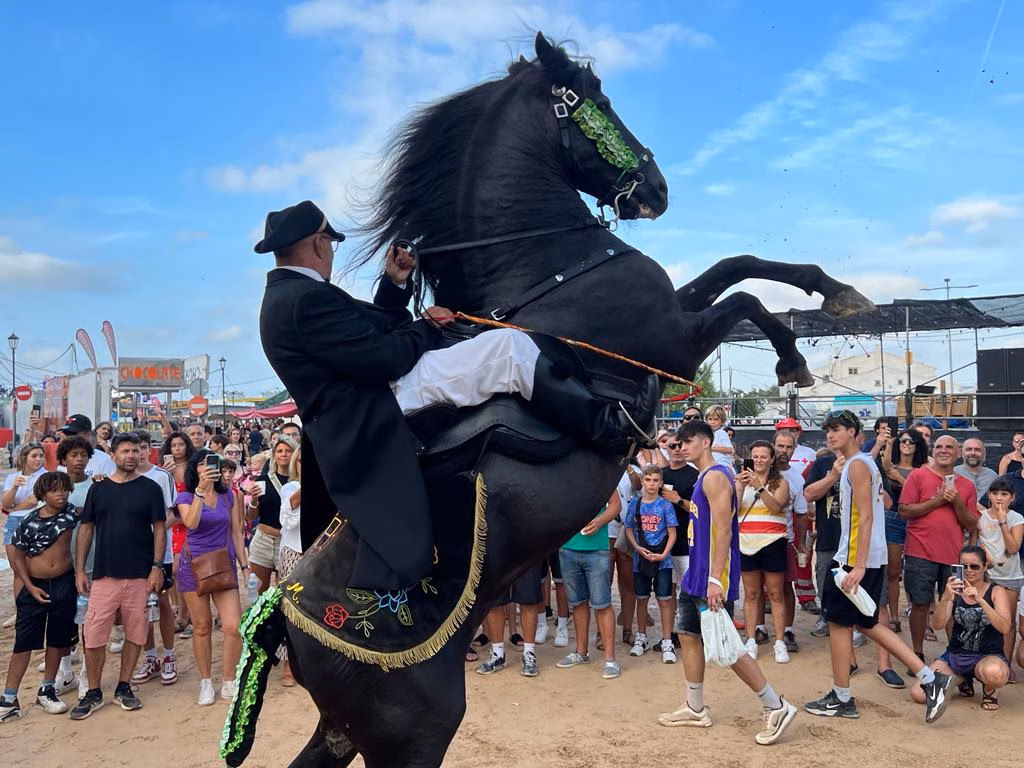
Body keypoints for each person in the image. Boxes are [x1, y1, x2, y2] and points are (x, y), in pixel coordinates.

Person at [255, 200, 658, 591]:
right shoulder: (304, 298)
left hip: (364, 402)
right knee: (508, 351)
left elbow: (370, 329)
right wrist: (428, 326)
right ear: (319, 243)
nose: (331, 253)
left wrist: (396, 283)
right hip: (376, 404)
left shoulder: (289, 295)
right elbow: (385, 357)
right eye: (331, 244)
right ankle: (610, 426)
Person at [803, 411, 951, 723]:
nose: (830, 435)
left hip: (854, 559)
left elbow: (867, 516)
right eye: (827, 430)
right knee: (865, 624)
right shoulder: (861, 463)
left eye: (837, 429)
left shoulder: (857, 464)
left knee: (842, 624)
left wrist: (856, 565)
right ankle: (927, 678)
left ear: (853, 431)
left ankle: (843, 696)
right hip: (862, 557)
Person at [657, 419, 797, 746]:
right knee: (689, 635)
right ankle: (695, 707)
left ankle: (776, 705)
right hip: (698, 571)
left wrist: (713, 579)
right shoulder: (709, 477)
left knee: (727, 647)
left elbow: (725, 530)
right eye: (678, 444)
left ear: (705, 442)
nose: (681, 448)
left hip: (710, 575)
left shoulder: (716, 476)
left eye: (687, 442)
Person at [71, 432, 166, 719]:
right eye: (125, 451)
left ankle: (124, 686)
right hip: (103, 574)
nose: (131, 456)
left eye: (136, 451)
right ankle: (94, 691)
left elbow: (159, 528)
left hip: (140, 574)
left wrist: (157, 566)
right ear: (112, 454)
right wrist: (79, 570)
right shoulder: (98, 488)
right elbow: (86, 528)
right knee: (94, 633)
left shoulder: (151, 489)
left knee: (137, 632)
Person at [0, 472, 79, 720]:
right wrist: (28, 586)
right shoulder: (29, 521)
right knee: (24, 641)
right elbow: (17, 555)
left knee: (58, 638)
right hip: (34, 586)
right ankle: (9, 697)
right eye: (55, 490)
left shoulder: (74, 514)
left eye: (64, 489)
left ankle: (47, 689)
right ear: (43, 494)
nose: (61, 494)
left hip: (64, 583)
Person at [175, 450, 247, 705]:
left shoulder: (230, 495)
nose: (208, 468)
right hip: (193, 565)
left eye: (211, 464)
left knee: (233, 625)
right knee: (202, 625)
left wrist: (245, 565)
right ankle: (205, 681)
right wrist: (199, 492)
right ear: (195, 469)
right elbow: (191, 524)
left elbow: (237, 532)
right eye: (203, 465)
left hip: (223, 565)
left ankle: (229, 680)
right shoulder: (185, 495)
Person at [899, 435, 979, 662]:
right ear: (933, 450)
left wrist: (956, 502)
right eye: (939, 447)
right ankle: (917, 653)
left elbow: (972, 524)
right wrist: (937, 501)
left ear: (958, 453)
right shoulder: (918, 476)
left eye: (949, 447)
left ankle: (956, 655)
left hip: (954, 557)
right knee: (920, 603)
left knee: (955, 606)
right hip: (919, 552)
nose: (944, 450)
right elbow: (904, 511)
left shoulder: (967, 485)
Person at [910, 546, 1014, 711]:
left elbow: (1005, 627)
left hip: (987, 655)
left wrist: (980, 600)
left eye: (974, 566)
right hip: (956, 656)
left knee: (996, 674)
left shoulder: (996, 591)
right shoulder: (955, 590)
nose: (969, 571)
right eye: (963, 566)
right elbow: (937, 625)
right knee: (919, 693)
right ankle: (962, 679)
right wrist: (945, 598)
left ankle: (989, 691)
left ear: (985, 566)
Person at [554, 493, 623, 680]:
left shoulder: (601, 472)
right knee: (578, 603)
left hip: (597, 550)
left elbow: (616, 505)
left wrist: (599, 522)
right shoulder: (563, 478)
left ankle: (610, 659)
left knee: (602, 604)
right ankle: (581, 652)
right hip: (567, 549)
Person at [129, 431, 179, 687]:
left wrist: (154, 531)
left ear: (150, 450)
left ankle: (169, 656)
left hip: (161, 553)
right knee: (140, 605)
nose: (137, 453)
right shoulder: (119, 479)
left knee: (162, 601)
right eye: (132, 448)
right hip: (132, 553)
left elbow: (174, 513)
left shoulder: (161, 476)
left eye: (142, 448)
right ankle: (150, 658)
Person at [735, 441, 791, 663]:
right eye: (755, 456)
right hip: (746, 542)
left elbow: (775, 506)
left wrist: (759, 486)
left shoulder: (781, 482)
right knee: (751, 594)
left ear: (771, 459)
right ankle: (750, 640)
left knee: (776, 594)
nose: (758, 460)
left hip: (773, 541)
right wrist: (739, 486)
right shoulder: (742, 481)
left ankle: (779, 642)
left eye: (763, 456)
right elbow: (734, 509)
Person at [623, 465, 678, 663]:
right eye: (648, 480)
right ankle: (641, 636)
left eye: (655, 480)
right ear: (643, 481)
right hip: (641, 558)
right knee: (642, 598)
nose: (651, 484)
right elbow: (629, 529)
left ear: (661, 483)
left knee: (664, 600)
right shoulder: (635, 504)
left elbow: (672, 532)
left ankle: (667, 640)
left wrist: (664, 554)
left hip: (663, 560)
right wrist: (637, 548)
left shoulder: (665, 505)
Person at [972, 477, 1023, 678]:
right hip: (987, 576)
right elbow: (974, 546)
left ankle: (1005, 663)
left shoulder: (1017, 518)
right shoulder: (980, 517)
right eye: (995, 494)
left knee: (1006, 623)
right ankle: (979, 661)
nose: (999, 498)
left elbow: (1013, 547)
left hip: (1010, 577)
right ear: (989, 496)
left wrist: (1002, 521)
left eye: (1004, 494)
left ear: (1012, 497)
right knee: (981, 619)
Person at [880, 427, 928, 632]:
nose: (906, 444)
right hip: (893, 517)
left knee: (918, 571)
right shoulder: (890, 465)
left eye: (911, 441)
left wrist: (898, 477)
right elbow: (885, 465)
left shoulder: (924, 467)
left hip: (917, 519)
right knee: (893, 571)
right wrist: (889, 442)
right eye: (903, 441)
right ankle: (893, 616)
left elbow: (920, 493)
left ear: (917, 446)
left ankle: (919, 616)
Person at [2, 443, 47, 629]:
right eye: (34, 456)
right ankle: (21, 610)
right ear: (25, 457)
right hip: (14, 524)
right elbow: (5, 503)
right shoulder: (14, 477)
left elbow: (34, 501)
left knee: (34, 568)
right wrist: (13, 489)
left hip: (35, 522)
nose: (38, 459)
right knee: (17, 570)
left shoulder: (45, 476)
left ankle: (36, 608)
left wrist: (13, 508)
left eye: (40, 455)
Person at [247, 435, 295, 596]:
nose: (284, 454)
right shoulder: (263, 480)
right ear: (273, 455)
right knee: (258, 593)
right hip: (263, 540)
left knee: (287, 594)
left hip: (289, 542)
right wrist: (253, 500)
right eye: (280, 451)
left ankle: (281, 622)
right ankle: (261, 622)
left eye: (288, 451)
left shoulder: (301, 482)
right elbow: (251, 517)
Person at [160, 430, 194, 637]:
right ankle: (179, 610)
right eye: (173, 446)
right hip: (169, 520)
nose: (177, 449)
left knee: (179, 569)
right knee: (171, 570)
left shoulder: (192, 468)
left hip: (185, 521)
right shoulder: (164, 470)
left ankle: (184, 614)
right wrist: (166, 474)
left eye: (181, 445)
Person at [955, 438, 998, 505]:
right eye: (969, 449)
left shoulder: (992, 476)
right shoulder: (953, 474)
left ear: (984, 453)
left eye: (977, 450)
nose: (973, 453)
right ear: (961, 453)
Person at [704, 405, 733, 471]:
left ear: (722, 421)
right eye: (710, 419)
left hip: (721, 464)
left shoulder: (721, 433)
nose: (712, 422)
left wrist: (711, 448)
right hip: (709, 465)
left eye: (716, 419)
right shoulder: (706, 433)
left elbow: (730, 450)